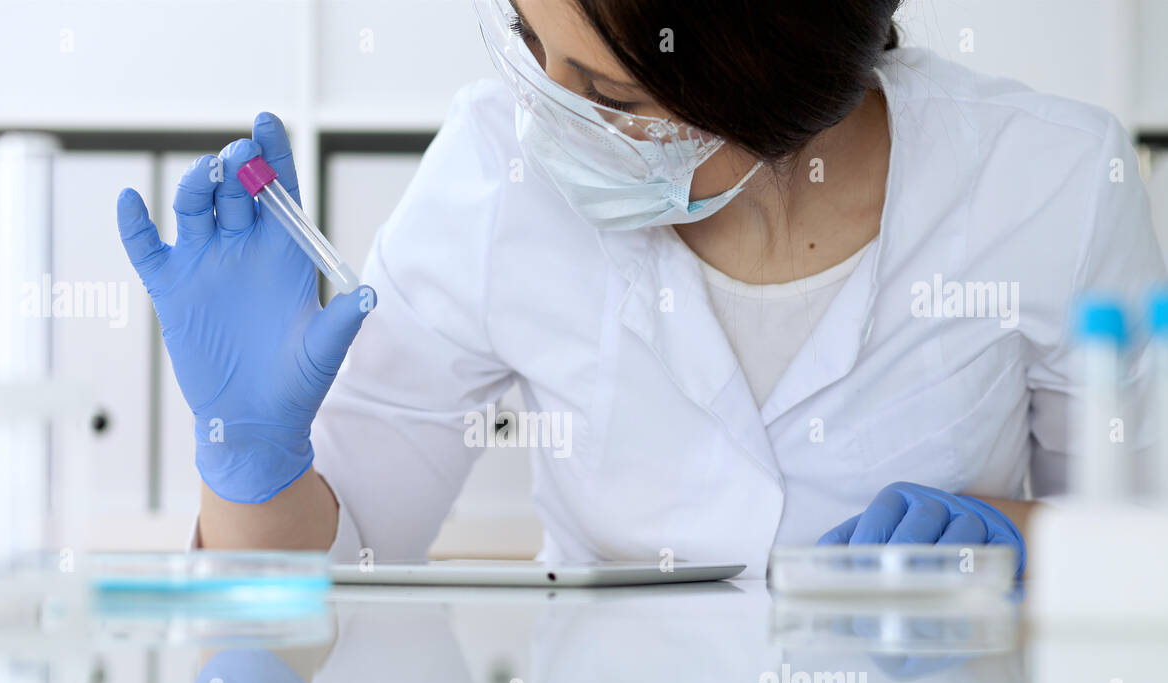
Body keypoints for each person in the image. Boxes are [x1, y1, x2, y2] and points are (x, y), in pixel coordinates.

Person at [116, 0, 1165, 579]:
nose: (550, 123)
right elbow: (322, 574)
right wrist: (249, 463)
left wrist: (1039, 547)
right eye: (535, 51)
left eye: (611, 96)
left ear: (770, 80)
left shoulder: (1050, 181)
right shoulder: (495, 169)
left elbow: (1145, 550)